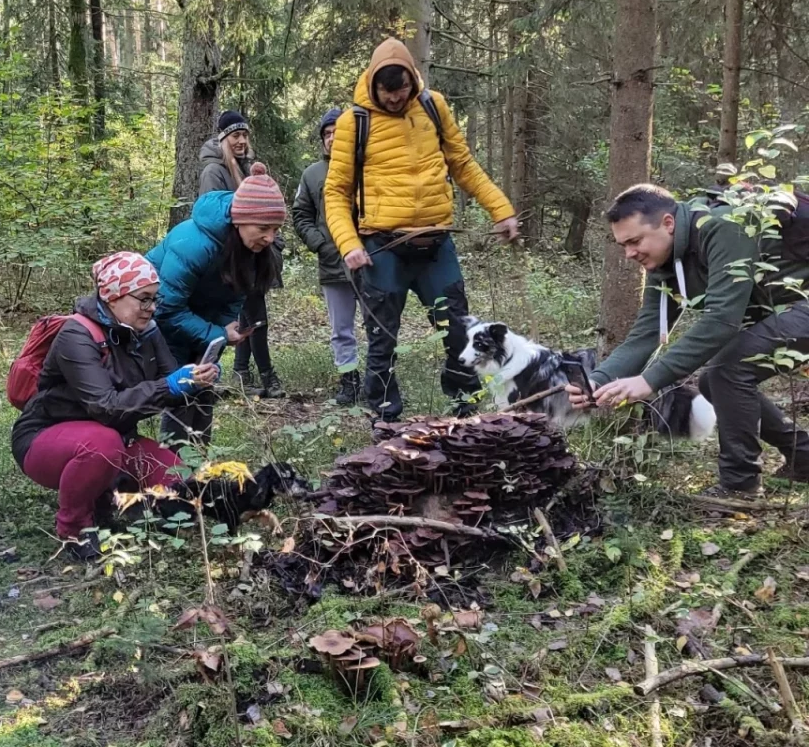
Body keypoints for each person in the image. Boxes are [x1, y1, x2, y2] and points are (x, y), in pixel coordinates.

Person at [568, 184, 809, 499]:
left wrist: (649, 380)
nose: (629, 254)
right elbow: (647, 332)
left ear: (668, 223)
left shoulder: (722, 226)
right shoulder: (666, 262)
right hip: (789, 307)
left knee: (730, 368)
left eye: (635, 241)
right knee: (714, 380)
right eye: (623, 245)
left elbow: (722, 320)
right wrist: (597, 380)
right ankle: (804, 457)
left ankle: (739, 486)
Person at [323, 38, 519, 419]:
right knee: (383, 338)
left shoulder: (433, 106)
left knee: (460, 332)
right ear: (374, 84)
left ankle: (467, 411)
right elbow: (336, 191)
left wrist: (501, 210)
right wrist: (349, 243)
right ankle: (385, 418)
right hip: (382, 247)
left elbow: (463, 163)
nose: (395, 99)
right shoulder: (354, 122)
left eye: (402, 90)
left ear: (413, 80)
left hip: (436, 245)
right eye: (387, 92)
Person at [12, 252, 218, 559]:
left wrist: (196, 379)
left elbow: (167, 382)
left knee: (182, 483)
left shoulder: (147, 331)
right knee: (102, 445)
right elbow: (105, 407)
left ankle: (110, 499)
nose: (152, 308)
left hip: (119, 440)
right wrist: (170, 385)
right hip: (47, 440)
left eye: (154, 299)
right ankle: (74, 530)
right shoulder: (77, 335)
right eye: (144, 299)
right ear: (113, 296)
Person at [148, 166, 286, 442]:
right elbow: (165, 309)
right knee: (183, 391)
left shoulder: (251, 249)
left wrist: (223, 329)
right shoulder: (192, 244)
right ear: (240, 221)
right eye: (263, 228)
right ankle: (172, 472)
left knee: (205, 388)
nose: (270, 238)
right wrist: (218, 334)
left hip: (200, 319)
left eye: (275, 229)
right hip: (158, 321)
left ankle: (200, 470)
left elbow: (235, 297)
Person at [199, 111, 284, 398]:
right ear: (223, 138)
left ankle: (241, 370)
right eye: (235, 135)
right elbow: (214, 213)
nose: (241, 141)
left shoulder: (247, 167)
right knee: (255, 314)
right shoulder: (214, 171)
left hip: (255, 251)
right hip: (234, 255)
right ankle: (268, 377)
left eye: (245, 135)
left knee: (248, 315)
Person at [293, 107, 361, 405]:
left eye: (337, 132)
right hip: (333, 263)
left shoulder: (367, 165)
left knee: (380, 324)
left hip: (372, 259)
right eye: (327, 134)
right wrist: (320, 244)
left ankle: (381, 383)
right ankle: (349, 381)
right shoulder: (312, 174)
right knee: (341, 329)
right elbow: (300, 214)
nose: (332, 138)